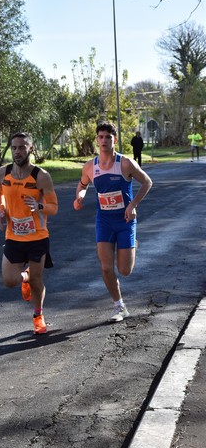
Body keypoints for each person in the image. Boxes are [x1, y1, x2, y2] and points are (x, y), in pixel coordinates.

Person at [73, 121, 152, 322]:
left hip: (125, 220)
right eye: (100, 137)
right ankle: (119, 306)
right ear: (97, 140)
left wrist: (133, 204)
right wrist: (80, 196)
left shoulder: (125, 163)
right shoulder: (91, 166)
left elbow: (147, 182)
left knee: (124, 270)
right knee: (106, 267)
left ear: (114, 140)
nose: (104, 140)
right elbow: (82, 185)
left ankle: (131, 244)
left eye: (108, 137)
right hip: (104, 221)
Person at [0, 132, 58, 334]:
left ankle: (38, 315)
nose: (17, 152)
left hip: (37, 236)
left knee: (37, 281)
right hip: (14, 236)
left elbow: (54, 207)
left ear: (31, 149)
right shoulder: (2, 173)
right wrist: (2, 210)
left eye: (22, 147)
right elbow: (0, 194)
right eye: (14, 148)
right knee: (9, 280)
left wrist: (39, 206)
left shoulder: (41, 176)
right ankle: (26, 276)